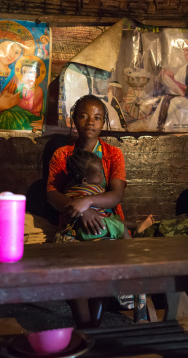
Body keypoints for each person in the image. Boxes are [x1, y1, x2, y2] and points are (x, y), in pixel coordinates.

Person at [47, 94, 146, 325]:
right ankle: (84, 320)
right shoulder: (62, 155)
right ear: (74, 119)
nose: (90, 121)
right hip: (72, 223)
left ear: (103, 122)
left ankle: (104, 314)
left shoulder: (113, 154)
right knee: (70, 259)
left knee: (110, 254)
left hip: (105, 223)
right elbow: (52, 194)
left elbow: (116, 195)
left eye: (97, 117)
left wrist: (89, 203)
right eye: (83, 116)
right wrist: (80, 210)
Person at [63, 147, 154, 241]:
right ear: (85, 180)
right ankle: (128, 246)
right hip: (91, 227)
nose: (102, 175)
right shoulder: (93, 189)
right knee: (120, 227)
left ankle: (136, 226)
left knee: (113, 219)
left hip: (79, 228)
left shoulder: (69, 190)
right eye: (99, 173)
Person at [148, 39, 188, 131]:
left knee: (173, 102)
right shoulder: (184, 69)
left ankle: (163, 128)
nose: (185, 53)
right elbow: (175, 88)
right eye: (184, 50)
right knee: (166, 98)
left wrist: (174, 82)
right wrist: (171, 78)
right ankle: (158, 127)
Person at [0, 56, 45, 130]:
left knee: (8, 115)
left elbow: (29, 106)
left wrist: (13, 101)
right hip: (19, 112)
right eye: (24, 72)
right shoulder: (20, 87)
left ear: (36, 74)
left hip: (31, 115)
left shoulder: (38, 90)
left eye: (30, 72)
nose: (27, 75)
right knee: (5, 114)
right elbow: (16, 96)